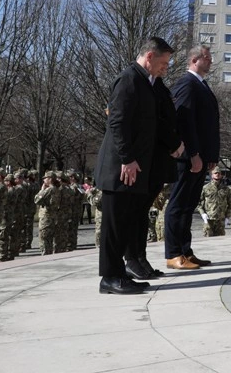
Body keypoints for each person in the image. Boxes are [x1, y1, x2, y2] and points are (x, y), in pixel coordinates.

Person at [94, 36, 174, 295]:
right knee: (114, 226)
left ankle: (120, 273)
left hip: (132, 169)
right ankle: (109, 277)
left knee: (125, 223)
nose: (166, 67)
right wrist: (127, 158)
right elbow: (116, 123)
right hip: (119, 168)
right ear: (149, 56)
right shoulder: (128, 80)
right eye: (163, 62)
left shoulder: (146, 83)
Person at [165, 44, 219, 271]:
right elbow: (184, 123)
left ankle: (186, 251)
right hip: (188, 158)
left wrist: (211, 156)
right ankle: (173, 254)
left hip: (201, 157)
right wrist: (194, 154)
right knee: (178, 205)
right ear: (195, 59)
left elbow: (207, 125)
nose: (210, 61)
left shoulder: (201, 85)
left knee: (188, 206)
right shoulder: (187, 84)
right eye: (207, 57)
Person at [125, 72, 182, 281]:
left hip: (158, 158)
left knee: (141, 212)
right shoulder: (144, 85)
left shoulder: (157, 85)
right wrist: (175, 142)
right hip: (150, 156)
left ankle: (140, 258)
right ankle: (132, 258)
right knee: (136, 212)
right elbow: (157, 121)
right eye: (164, 62)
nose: (166, 68)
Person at [200, 167, 231, 236]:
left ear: (221, 175)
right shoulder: (205, 188)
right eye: (215, 173)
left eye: (219, 173)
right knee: (208, 241)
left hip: (221, 220)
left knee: (220, 241)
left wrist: (227, 217)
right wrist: (203, 213)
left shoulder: (226, 189)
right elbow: (200, 202)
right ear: (212, 175)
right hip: (209, 219)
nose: (217, 174)